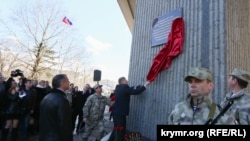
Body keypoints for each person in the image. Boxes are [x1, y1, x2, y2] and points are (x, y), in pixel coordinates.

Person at [168, 67, 234, 125]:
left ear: (210, 85)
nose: (192, 85)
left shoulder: (222, 115)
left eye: (198, 81)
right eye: (190, 81)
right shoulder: (178, 110)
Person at [108, 77, 150, 141]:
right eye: (125, 80)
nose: (127, 81)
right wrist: (145, 85)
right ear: (122, 81)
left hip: (116, 112)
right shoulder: (124, 88)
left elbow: (131, 88)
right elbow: (136, 92)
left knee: (117, 128)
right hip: (120, 113)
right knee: (120, 129)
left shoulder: (119, 88)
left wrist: (139, 86)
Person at [39, 74, 73, 141]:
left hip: (44, 137)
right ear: (62, 83)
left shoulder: (46, 97)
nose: (69, 82)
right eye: (68, 81)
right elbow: (65, 125)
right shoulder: (62, 100)